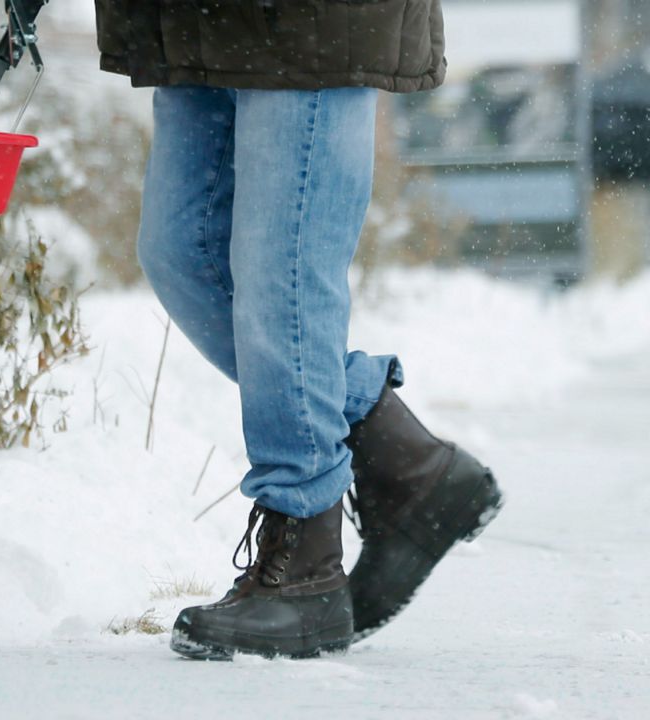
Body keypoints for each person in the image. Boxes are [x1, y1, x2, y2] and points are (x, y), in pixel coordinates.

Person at [93, 2, 505, 659]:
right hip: (191, 18)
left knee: (281, 269)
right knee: (184, 255)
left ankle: (304, 558)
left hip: (312, 21)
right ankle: (399, 454)